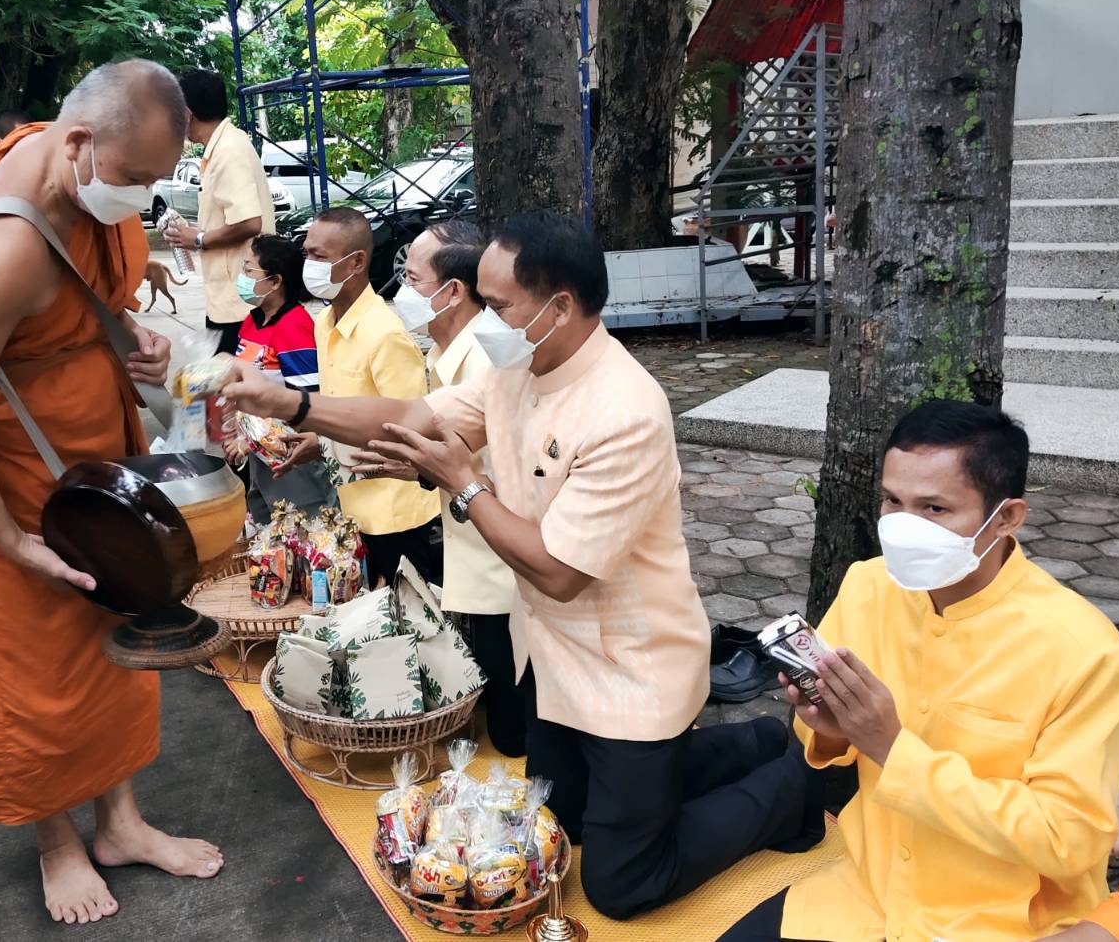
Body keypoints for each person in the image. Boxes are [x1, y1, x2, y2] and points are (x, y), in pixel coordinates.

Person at [225, 211, 813, 917]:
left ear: (559, 307)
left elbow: (560, 571)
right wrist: (291, 403)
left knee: (622, 883)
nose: (482, 317)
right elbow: (413, 415)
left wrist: (462, 484)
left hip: (633, 667)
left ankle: (794, 787)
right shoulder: (515, 364)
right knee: (559, 824)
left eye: (496, 303)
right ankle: (751, 740)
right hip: (554, 657)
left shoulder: (626, 410)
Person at [0, 60, 222, 926]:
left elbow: (81, 310)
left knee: (112, 625)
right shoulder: (4, 247)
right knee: (22, 663)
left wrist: (133, 343)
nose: (148, 199)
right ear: (78, 144)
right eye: (141, 179)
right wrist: (8, 539)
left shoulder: (74, 168)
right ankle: (58, 841)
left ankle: (120, 821)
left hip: (86, 461)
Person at [718, 401, 1119, 942]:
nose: (903, 527)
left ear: (1006, 518)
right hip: (862, 895)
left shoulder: (1085, 653)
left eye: (934, 509)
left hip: (995, 922)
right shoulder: (869, 585)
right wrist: (829, 729)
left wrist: (894, 749)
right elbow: (830, 739)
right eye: (893, 500)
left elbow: (1067, 840)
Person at [356, 220, 526, 755]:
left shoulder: (485, 361)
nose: (400, 290)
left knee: (513, 732)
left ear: (453, 291)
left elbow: (504, 474)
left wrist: (433, 471)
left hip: (505, 568)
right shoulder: (440, 353)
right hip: (471, 557)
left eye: (410, 277)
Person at [281, 206, 442, 588]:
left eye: (319, 256)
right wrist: (320, 441)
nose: (309, 264)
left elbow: (410, 428)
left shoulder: (384, 334)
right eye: (307, 254)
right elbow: (344, 408)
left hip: (396, 512)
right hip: (352, 504)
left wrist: (331, 443)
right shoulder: (324, 323)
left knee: (411, 624)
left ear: (355, 262)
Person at [161, 69, 273, 355]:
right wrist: (193, 231)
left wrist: (197, 239)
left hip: (239, 301)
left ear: (186, 114)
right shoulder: (222, 146)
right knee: (226, 384)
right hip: (230, 297)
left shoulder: (228, 151)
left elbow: (249, 222)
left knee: (233, 384)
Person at [232, 233, 334, 519]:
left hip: (292, 457)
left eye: (250, 271)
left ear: (275, 281)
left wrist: (254, 438)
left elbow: (307, 403)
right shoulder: (251, 321)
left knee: (305, 533)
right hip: (261, 454)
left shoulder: (294, 327)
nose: (243, 277)